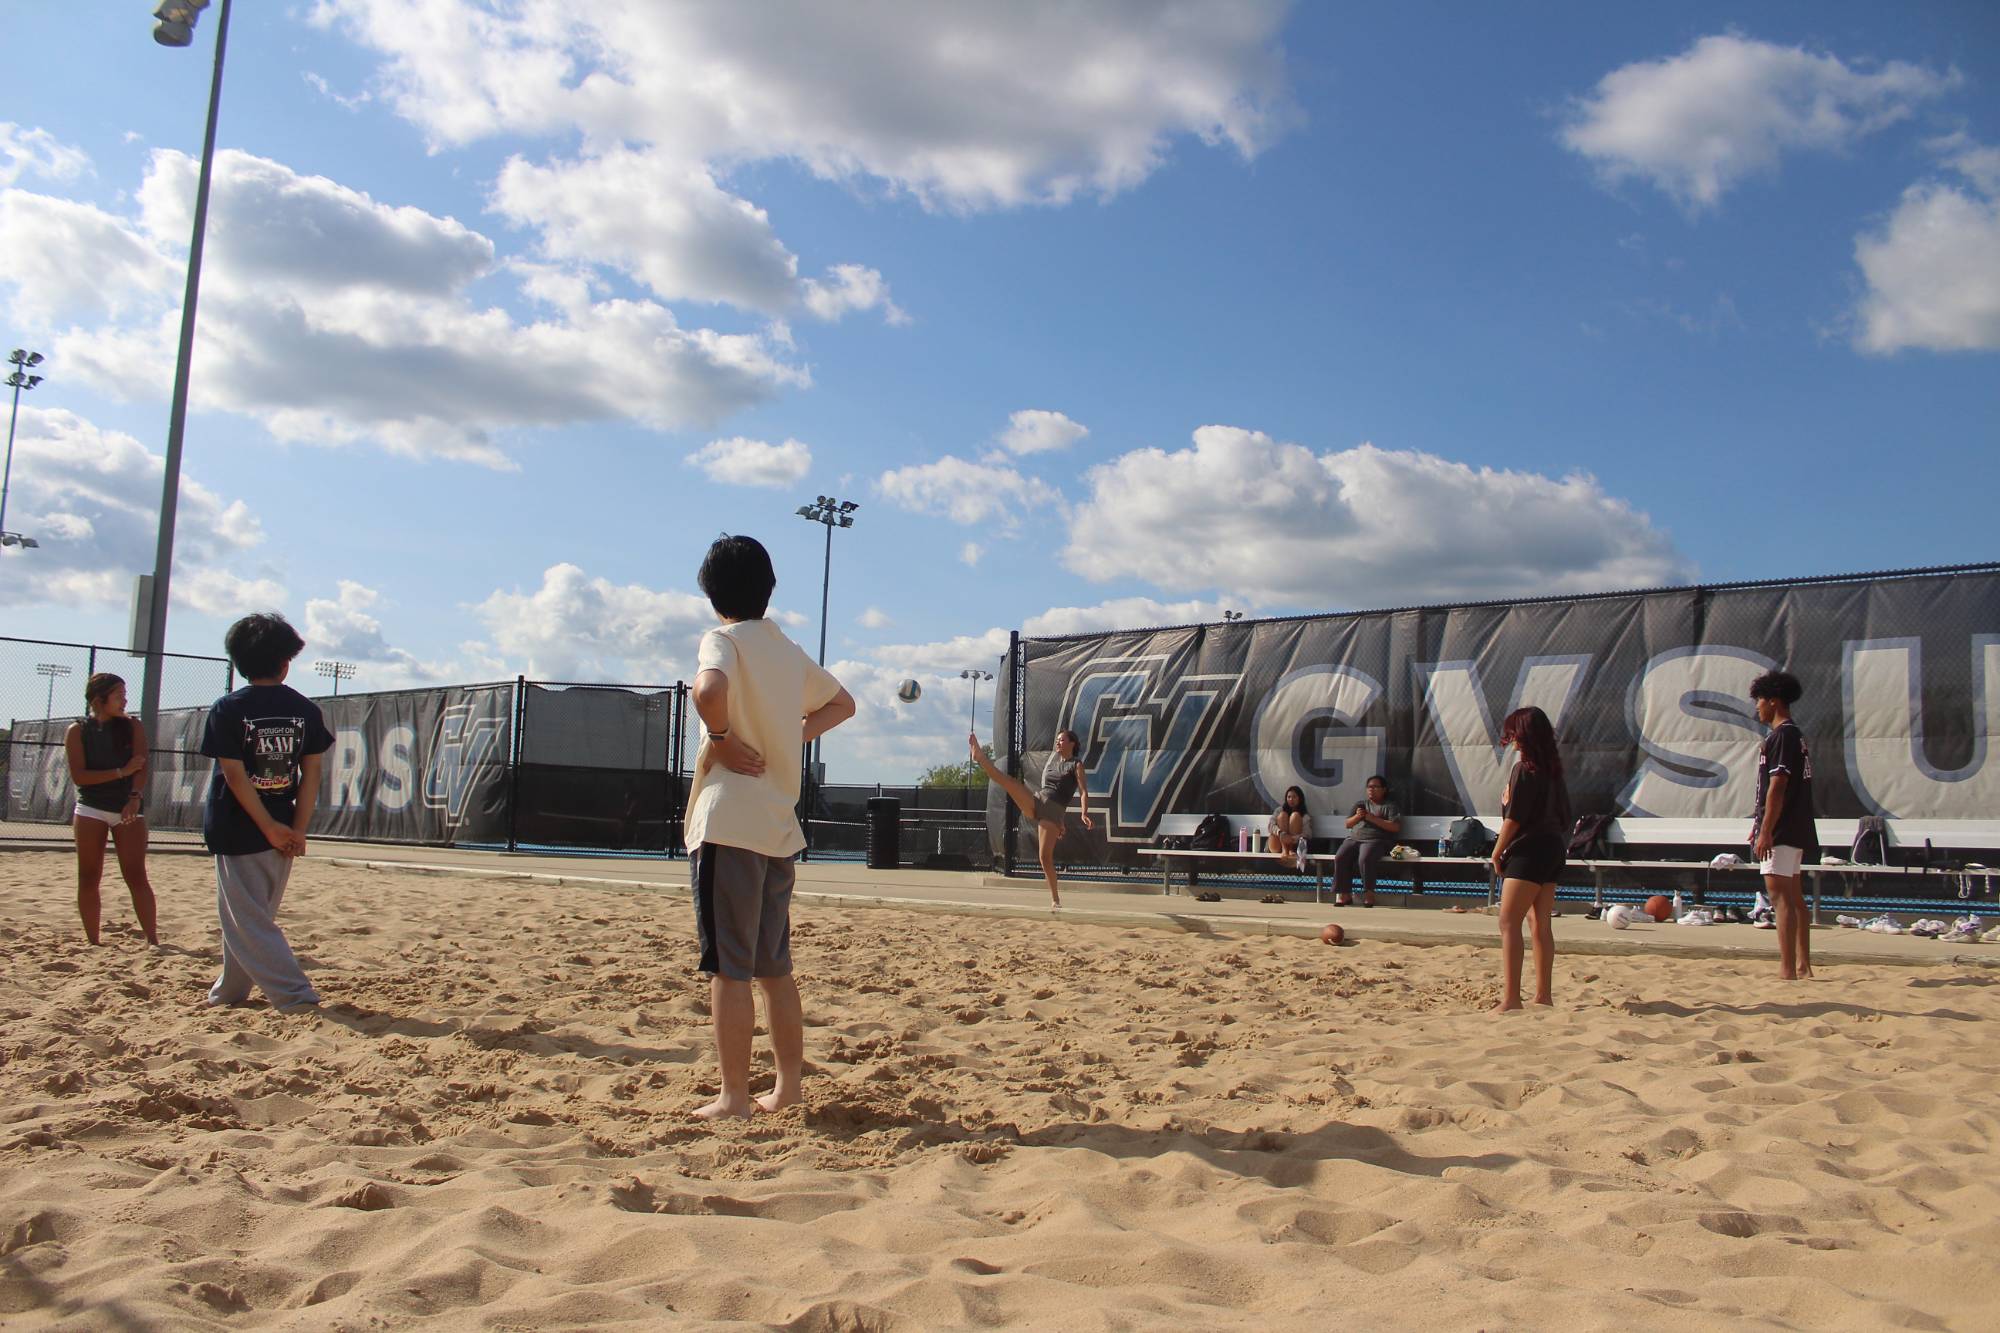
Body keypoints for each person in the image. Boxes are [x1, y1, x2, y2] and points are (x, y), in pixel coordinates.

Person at [683, 535, 855, 1121]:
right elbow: (842, 704)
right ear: (770, 588)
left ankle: (733, 1096)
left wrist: (726, 740)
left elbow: (709, 690)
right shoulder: (786, 649)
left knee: (729, 969)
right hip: (778, 824)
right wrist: (788, 736)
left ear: (711, 595)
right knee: (773, 968)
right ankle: (787, 1090)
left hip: (728, 820)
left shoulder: (723, 639)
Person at [200, 613, 333, 1014]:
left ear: (238, 663)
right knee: (250, 916)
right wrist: (296, 827)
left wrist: (274, 828)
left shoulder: (228, 708)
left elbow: (235, 776)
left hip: (238, 825)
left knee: (249, 919)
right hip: (281, 821)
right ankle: (230, 991)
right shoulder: (305, 709)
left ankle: (296, 997)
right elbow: (311, 775)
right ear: (285, 663)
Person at [63, 673, 157, 947]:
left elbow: (141, 767)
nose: (125, 699)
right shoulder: (78, 731)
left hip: (126, 807)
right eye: (118, 694)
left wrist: (134, 796)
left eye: (125, 693)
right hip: (91, 808)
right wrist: (120, 772)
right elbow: (80, 777)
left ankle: (152, 939)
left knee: (136, 874)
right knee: (89, 875)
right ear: (98, 700)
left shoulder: (133, 727)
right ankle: (93, 941)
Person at [1490, 706, 1570, 1012]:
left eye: (1513, 733)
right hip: (1552, 847)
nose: (1510, 740)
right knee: (1540, 923)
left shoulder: (1525, 770)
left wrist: (1497, 852)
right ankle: (1543, 995)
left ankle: (1511, 999)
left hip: (1529, 850)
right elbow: (1564, 816)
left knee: (1509, 922)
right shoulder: (1553, 773)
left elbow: (1514, 819)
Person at [971, 728, 1092, 908]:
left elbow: (1082, 791)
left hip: (1052, 813)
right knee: (1010, 782)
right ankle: (980, 757)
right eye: (1057, 740)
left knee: (1044, 857)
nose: (1058, 742)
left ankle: (1055, 900)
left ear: (1072, 743)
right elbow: (1049, 788)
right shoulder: (1053, 762)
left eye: (1062, 740)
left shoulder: (1076, 764)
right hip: (1038, 801)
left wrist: (1083, 812)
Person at [1749, 669, 1818, 980]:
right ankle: (1803, 966)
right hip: (1796, 824)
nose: (1756, 708)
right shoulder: (1793, 735)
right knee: (1794, 897)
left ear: (1773, 702)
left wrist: (1765, 830)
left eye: (1759, 701)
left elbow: (1777, 785)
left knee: (1779, 898)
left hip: (1782, 826)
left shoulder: (1782, 736)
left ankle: (1788, 969)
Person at [1329, 775, 1400, 906]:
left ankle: (1369, 894)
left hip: (1376, 840)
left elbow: (1395, 827)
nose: (1371, 790)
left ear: (1384, 789)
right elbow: (1347, 824)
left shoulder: (1389, 806)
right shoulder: (1360, 804)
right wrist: (1357, 816)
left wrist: (1372, 818)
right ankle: (1344, 894)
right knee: (1340, 857)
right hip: (1354, 838)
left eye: (1375, 787)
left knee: (1365, 858)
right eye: (1369, 787)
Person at [1268, 785, 1311, 870]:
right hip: (1276, 844)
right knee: (1282, 815)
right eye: (1289, 797)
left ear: (1300, 798)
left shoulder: (1304, 816)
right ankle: (1285, 850)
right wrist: (1281, 833)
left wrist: (1292, 838)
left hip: (1294, 846)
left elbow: (1308, 834)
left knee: (1295, 816)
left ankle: (1289, 850)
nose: (1291, 799)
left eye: (1294, 797)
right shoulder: (1279, 810)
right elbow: (1270, 826)